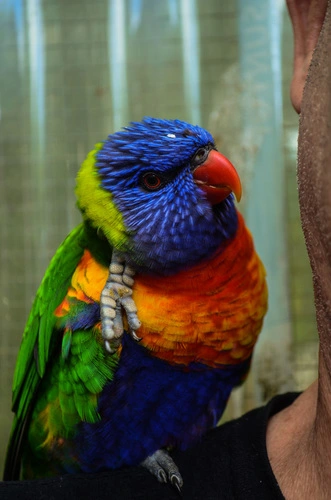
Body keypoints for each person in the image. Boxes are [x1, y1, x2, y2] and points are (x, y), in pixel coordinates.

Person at [1, 1, 329, 498]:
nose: (211, 170)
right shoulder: (91, 273)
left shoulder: (240, 268)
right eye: (156, 180)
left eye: (204, 156)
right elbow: (50, 423)